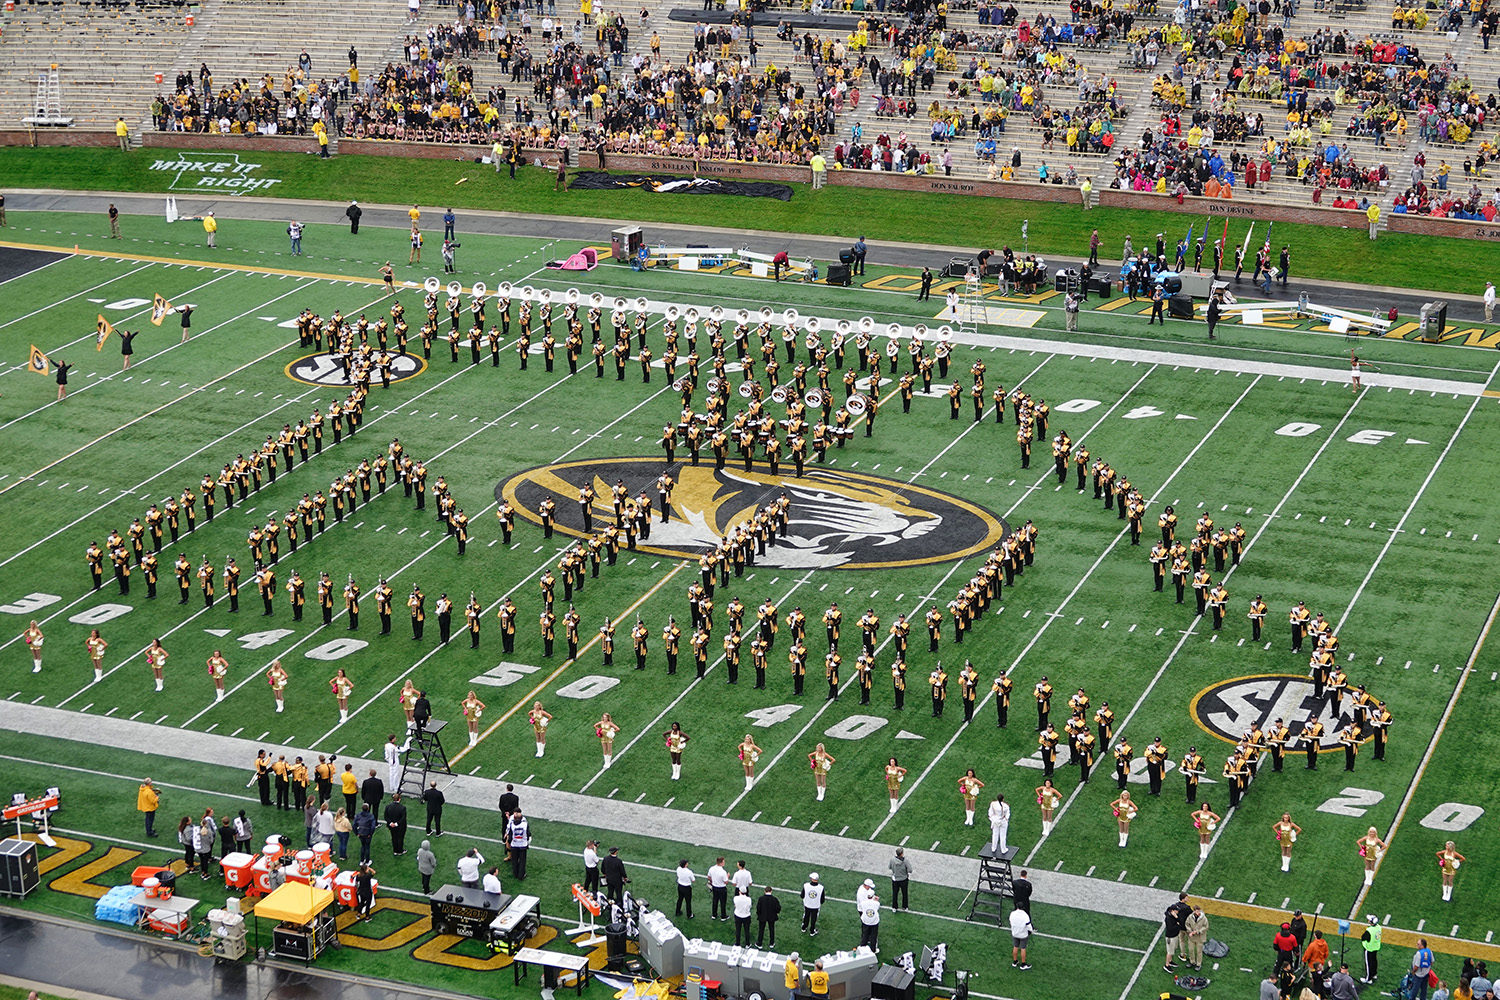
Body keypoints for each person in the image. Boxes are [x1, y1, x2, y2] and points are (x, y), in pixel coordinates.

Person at [1163, 891, 1190, 972]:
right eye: (1176, 911)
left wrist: (1177, 919)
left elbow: (1180, 921)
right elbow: (1171, 928)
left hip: (1174, 935)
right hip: (1170, 936)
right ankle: (1167, 965)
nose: (1178, 912)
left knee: (1172, 950)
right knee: (1170, 951)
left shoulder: (1173, 916)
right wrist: (1177, 925)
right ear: (1173, 911)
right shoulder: (1168, 918)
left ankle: (1170, 961)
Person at [1183, 905, 1209, 971]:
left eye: (1199, 911)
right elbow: (1187, 924)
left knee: (1199, 951)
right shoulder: (1190, 917)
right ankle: (1192, 961)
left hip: (1200, 938)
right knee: (1191, 950)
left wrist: (1197, 931)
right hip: (1191, 937)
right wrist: (1190, 931)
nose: (1198, 912)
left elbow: (1206, 927)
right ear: (1194, 911)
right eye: (1196, 911)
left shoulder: (1204, 918)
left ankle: (1198, 964)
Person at [507, 808, 531, 879]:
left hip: (514, 845)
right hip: (523, 845)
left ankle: (515, 873)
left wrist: (509, 843)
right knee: (522, 861)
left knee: (514, 860)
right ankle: (521, 875)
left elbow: (510, 836)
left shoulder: (512, 825)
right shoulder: (525, 824)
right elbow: (528, 834)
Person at [1360, 914, 1382, 982]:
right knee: (1374, 961)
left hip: (1369, 948)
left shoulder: (1369, 930)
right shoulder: (1379, 927)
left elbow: (1363, 937)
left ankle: (1368, 978)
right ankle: (1374, 974)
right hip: (1375, 947)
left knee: (1368, 963)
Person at [1008, 905, 1033, 969]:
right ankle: (1023, 964)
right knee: (1023, 948)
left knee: (1015, 946)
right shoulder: (1025, 915)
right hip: (1023, 935)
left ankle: (1015, 961)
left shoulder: (1012, 914)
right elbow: (1029, 926)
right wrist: (1031, 931)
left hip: (1015, 933)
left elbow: (1010, 921)